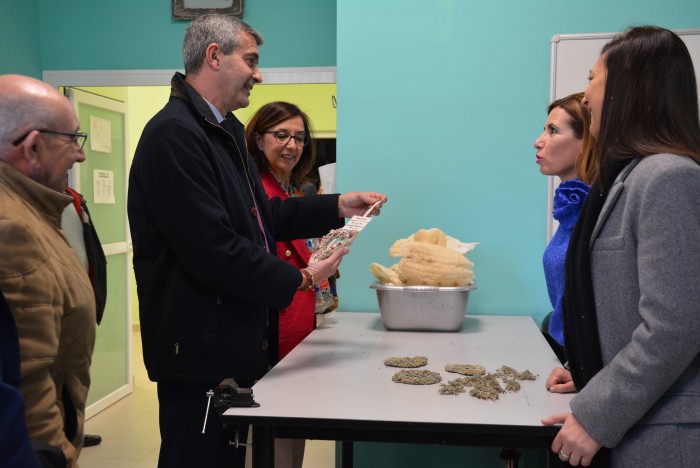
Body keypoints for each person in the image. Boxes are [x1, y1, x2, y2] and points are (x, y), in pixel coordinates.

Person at [127, 15, 387, 468]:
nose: (258, 74)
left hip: (231, 342)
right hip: (198, 350)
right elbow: (212, 249)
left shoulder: (222, 131)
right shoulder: (175, 134)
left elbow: (266, 216)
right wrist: (303, 277)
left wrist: (340, 205)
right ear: (214, 56)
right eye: (250, 60)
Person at [541, 26, 700, 467]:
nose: (586, 95)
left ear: (628, 89)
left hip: (661, 436)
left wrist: (597, 415)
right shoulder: (627, 179)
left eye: (593, 79)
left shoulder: (669, 177)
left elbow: (675, 326)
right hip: (635, 421)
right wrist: (589, 370)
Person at [0, 74, 96, 468]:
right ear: (33, 146)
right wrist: (57, 458)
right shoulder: (13, 231)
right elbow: (29, 385)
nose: (80, 154)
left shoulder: (33, 209)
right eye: (73, 139)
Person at [246, 101, 333, 468]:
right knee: (269, 447)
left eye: (298, 137)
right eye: (281, 135)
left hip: (298, 336)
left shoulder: (292, 189)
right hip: (270, 336)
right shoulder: (257, 192)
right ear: (258, 139)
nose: (291, 145)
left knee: (291, 442)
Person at [533, 92, 594, 364]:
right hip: (573, 359)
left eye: (553, 131)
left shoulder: (599, 210)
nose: (539, 141)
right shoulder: (571, 205)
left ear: (587, 142)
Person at [62, 185, 108, 448]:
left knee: (75, 372)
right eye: (68, 141)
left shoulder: (74, 200)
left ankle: (74, 429)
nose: (79, 155)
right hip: (58, 304)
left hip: (80, 302)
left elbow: (92, 253)